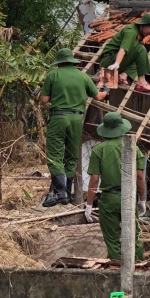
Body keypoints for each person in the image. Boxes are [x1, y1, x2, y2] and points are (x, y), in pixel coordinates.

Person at [40, 48, 109, 207]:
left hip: (59, 117)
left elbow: (44, 99)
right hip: (77, 119)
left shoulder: (53, 75)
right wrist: (105, 90)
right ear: (72, 61)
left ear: (59, 62)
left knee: (55, 155)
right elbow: (98, 96)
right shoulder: (83, 77)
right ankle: (66, 193)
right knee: (71, 156)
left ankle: (61, 192)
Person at [84, 112, 146, 261]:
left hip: (109, 197)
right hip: (128, 195)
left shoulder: (99, 149)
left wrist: (89, 204)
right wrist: (142, 199)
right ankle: (138, 263)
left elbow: (94, 178)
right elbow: (139, 176)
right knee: (134, 235)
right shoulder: (133, 147)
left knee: (111, 238)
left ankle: (116, 264)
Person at [99, 13, 150, 93]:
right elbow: (123, 49)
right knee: (141, 49)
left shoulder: (139, 33)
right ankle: (142, 82)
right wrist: (117, 63)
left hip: (116, 61)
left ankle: (123, 76)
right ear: (143, 25)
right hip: (109, 62)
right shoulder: (131, 32)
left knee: (140, 58)